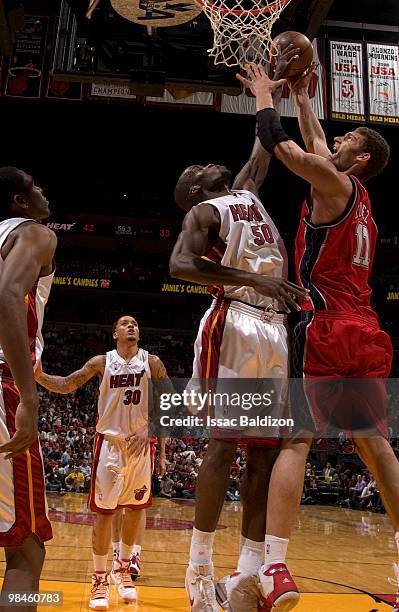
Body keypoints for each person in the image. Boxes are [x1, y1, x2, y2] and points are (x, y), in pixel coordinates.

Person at [239, 63, 394, 610]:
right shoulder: (360, 201)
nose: (337, 140)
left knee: (296, 441)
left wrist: (263, 98)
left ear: (362, 160)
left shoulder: (334, 183)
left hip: (325, 325)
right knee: (376, 448)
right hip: (366, 329)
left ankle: (277, 568)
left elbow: (286, 149)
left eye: (347, 139)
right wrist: (303, 96)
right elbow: (315, 140)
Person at [169, 48, 309, 612]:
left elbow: (262, 150)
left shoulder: (246, 192)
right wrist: (247, 279)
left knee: (264, 455)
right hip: (235, 320)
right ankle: (197, 565)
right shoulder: (202, 213)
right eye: (195, 171)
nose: (207, 166)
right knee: (224, 446)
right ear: (194, 192)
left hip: (274, 328)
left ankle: (247, 573)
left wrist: (266, 95)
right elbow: (179, 266)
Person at [35, 315, 168, 611]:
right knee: (105, 515)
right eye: (124, 323)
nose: (131, 325)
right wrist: (40, 377)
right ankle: (99, 578)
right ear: (114, 334)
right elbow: (69, 383)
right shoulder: (102, 362)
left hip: (140, 447)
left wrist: (151, 429)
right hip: (109, 444)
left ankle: (123, 571)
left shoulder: (153, 362)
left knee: (134, 511)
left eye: (135, 322)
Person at [0, 166, 56, 612]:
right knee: (26, 545)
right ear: (19, 202)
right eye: (34, 186)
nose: (42, 191)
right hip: (3, 388)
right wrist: (29, 397)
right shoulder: (34, 233)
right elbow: (8, 293)